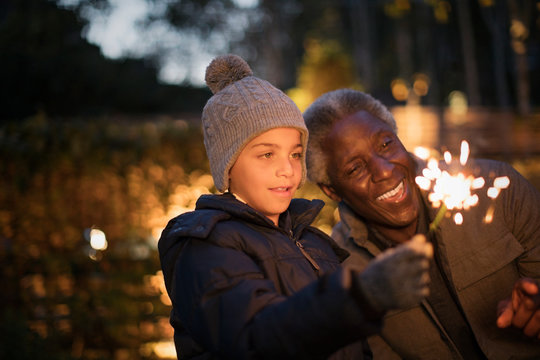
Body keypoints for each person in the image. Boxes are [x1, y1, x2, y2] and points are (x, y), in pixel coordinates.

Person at [158, 55, 434, 359]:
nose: (287, 170)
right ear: (228, 164)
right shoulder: (204, 246)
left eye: (294, 154)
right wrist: (359, 299)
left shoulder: (313, 242)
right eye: (267, 155)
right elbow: (254, 340)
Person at [303, 88, 540, 359]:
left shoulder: (497, 190)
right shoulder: (344, 271)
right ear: (331, 191)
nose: (384, 170)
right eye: (354, 168)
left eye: (386, 144)